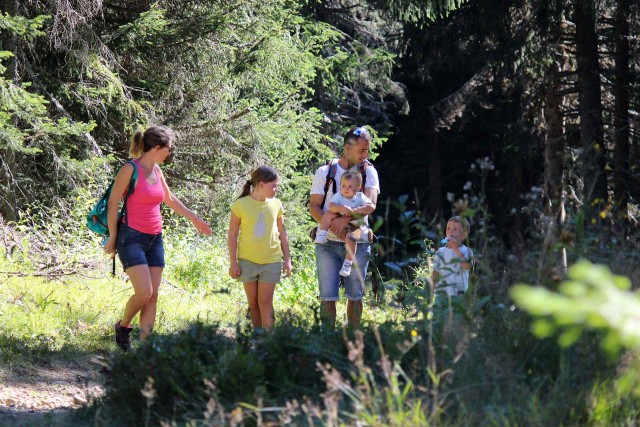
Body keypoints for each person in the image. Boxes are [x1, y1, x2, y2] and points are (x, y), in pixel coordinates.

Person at [104, 125, 212, 351]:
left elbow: (169, 199)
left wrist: (195, 218)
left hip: (155, 239)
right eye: (169, 149)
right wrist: (113, 236)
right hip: (131, 237)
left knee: (153, 297)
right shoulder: (130, 169)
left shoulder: (157, 171)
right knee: (145, 293)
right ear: (157, 147)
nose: (170, 153)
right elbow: (113, 202)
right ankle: (123, 326)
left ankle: (146, 350)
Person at [309, 126, 380, 327]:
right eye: (362, 150)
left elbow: (370, 206)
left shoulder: (369, 172)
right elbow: (314, 206)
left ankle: (353, 340)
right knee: (327, 297)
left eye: (367, 150)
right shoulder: (325, 172)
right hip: (327, 245)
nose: (365, 155)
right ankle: (328, 340)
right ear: (348, 148)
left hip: (358, 242)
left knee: (355, 296)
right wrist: (334, 225)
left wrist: (343, 222)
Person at [227, 165, 292, 331]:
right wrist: (233, 262)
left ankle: (272, 343)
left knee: (265, 302)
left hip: (271, 261)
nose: (276, 189)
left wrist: (288, 260)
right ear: (261, 185)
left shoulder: (276, 204)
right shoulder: (240, 205)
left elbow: (282, 233)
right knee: (254, 304)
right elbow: (233, 234)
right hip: (247, 261)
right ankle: (258, 342)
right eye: (274, 185)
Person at [314, 171, 375, 277]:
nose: (346, 189)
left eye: (350, 186)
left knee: (352, 238)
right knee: (328, 213)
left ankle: (348, 263)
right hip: (338, 218)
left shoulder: (360, 197)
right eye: (343, 185)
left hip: (354, 225)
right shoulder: (339, 196)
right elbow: (332, 206)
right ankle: (322, 233)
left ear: (358, 187)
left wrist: (358, 209)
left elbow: (371, 207)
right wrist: (342, 208)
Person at [432, 216, 473, 297]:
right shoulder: (441, 251)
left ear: (464, 235)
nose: (450, 232)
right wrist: (431, 287)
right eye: (448, 228)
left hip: (459, 294)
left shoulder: (467, 251)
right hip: (442, 294)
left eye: (455, 229)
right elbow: (435, 271)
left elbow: (466, 266)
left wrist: (456, 249)